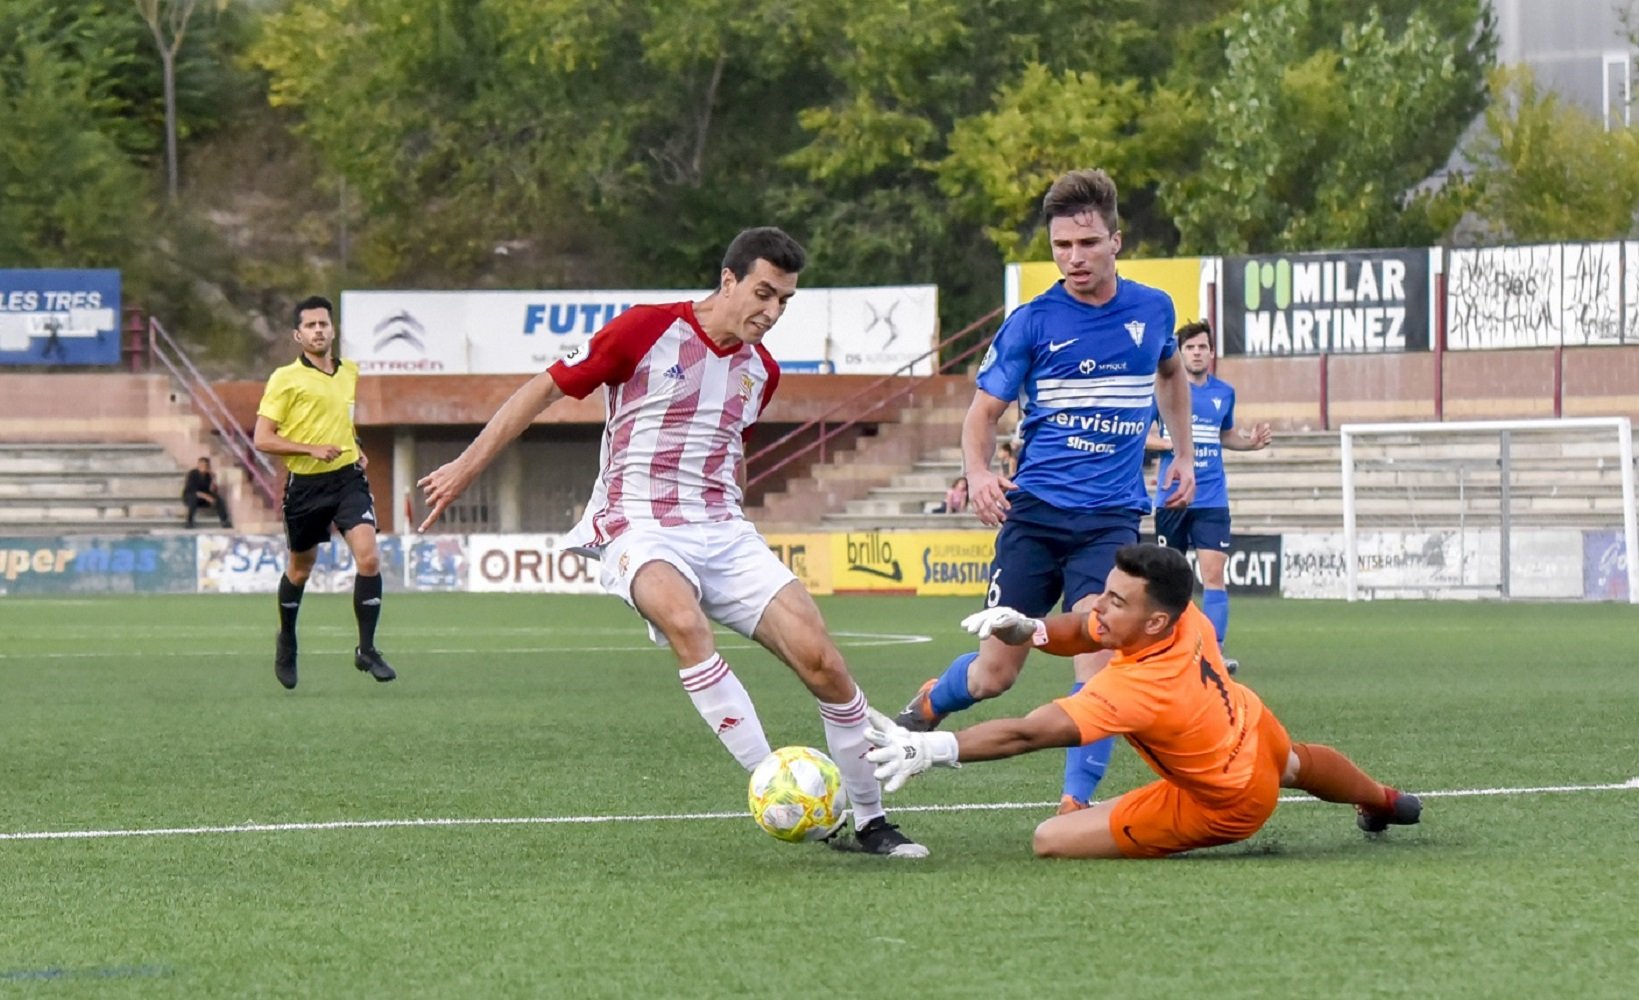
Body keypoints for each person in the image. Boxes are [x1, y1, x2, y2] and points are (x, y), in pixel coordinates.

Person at [416, 227, 927, 858]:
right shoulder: (644, 330)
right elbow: (544, 386)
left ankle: (872, 821)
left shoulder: (761, 373)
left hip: (722, 530)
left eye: (785, 301)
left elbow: (723, 448)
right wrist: (468, 466)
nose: (770, 312)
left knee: (824, 663)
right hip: (637, 522)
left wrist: (734, 522)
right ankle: (778, 783)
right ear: (728, 280)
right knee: (686, 621)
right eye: (762, 294)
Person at [893, 167, 1197, 814]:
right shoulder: (1032, 322)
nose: (1073, 258)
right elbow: (980, 415)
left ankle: (1072, 803)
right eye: (1061, 246)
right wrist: (978, 476)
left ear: (1115, 241)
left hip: (1110, 520)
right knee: (993, 675)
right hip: (1033, 517)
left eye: (1086, 243)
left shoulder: (1152, 309)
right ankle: (925, 706)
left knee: (1100, 660)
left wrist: (1183, 453)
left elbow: (1171, 376)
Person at [865, 544, 1422, 859]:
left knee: (1049, 840)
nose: (1099, 607)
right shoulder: (1183, 615)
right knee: (1292, 762)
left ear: (1153, 620)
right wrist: (1030, 627)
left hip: (1226, 803)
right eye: (1105, 591)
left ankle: (1370, 799)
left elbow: (1028, 732)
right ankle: (1384, 800)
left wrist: (932, 749)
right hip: (1254, 728)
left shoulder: (1134, 689)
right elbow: (1085, 629)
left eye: (1115, 600)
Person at [253, 294, 397, 690]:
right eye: (311, 325)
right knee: (301, 568)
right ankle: (287, 640)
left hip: (347, 479)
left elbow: (340, 420)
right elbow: (263, 438)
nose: (319, 330)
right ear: (298, 335)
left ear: (333, 330)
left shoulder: (349, 371)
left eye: (324, 324)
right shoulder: (285, 378)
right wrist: (310, 449)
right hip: (306, 486)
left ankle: (366, 649)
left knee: (368, 558)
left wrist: (356, 445)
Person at [1146, 320, 1272, 675]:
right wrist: (1173, 444)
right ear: (1181, 353)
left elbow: (1225, 435)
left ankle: (1214, 652)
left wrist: (1250, 443)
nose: (1197, 353)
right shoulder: (1164, 391)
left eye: (1203, 347)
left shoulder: (1223, 393)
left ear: (1211, 353)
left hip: (1212, 497)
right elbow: (1142, 437)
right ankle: (1169, 647)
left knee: (1214, 573)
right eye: (1190, 348)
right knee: (1169, 577)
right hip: (1173, 497)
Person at [181, 456, 231, 528]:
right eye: (201, 465)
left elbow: (211, 490)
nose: (203, 467)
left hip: (203, 499)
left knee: (218, 498)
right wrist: (208, 497)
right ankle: (189, 521)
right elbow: (194, 491)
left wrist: (213, 479)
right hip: (190, 497)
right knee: (193, 498)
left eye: (206, 465)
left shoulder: (208, 475)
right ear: (198, 465)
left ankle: (224, 520)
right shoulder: (192, 474)